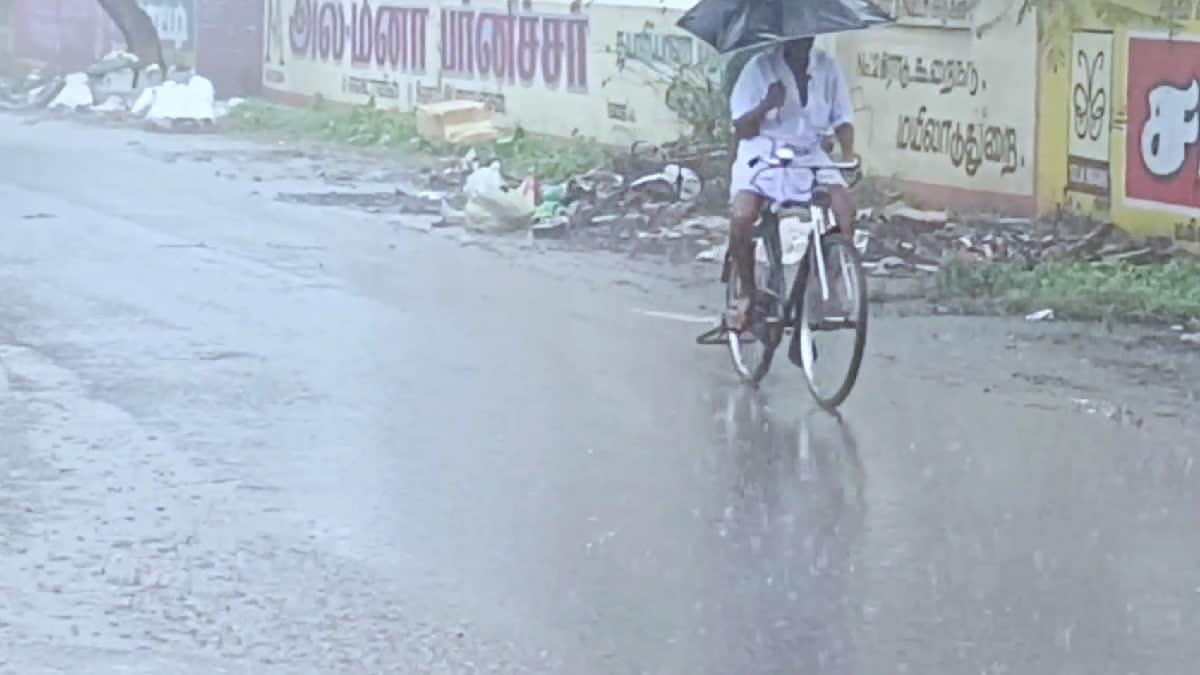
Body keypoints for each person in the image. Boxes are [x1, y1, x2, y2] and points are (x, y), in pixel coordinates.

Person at [726, 36, 858, 330]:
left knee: (845, 209)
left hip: (809, 151)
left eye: (809, 35)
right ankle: (748, 294)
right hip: (763, 151)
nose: (804, 43)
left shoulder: (827, 67)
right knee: (743, 215)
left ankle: (828, 282)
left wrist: (848, 156)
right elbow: (742, 129)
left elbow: (842, 119)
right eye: (797, 38)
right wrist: (766, 104)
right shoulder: (759, 69)